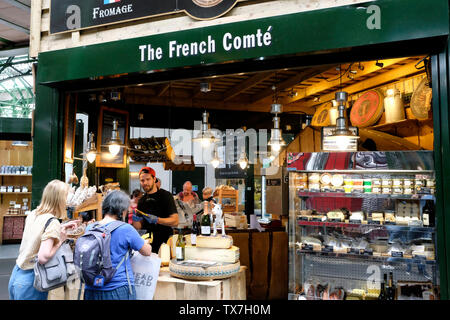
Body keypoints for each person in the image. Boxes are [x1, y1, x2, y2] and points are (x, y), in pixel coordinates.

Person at [8, 179, 78, 300]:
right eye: (66, 197)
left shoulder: (33, 213)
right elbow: (43, 257)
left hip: (17, 274)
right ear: (60, 199)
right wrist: (60, 240)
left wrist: (61, 227)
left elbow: (38, 233)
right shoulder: (52, 222)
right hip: (32, 279)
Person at [83, 190, 152, 300]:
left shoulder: (90, 227)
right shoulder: (125, 229)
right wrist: (145, 243)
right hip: (117, 289)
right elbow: (146, 252)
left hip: (91, 288)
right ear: (122, 211)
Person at [132, 167, 179, 253]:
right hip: (148, 243)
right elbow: (138, 226)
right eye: (142, 180)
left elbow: (175, 221)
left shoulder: (166, 196)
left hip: (165, 243)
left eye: (148, 179)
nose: (145, 183)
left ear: (154, 179)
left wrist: (157, 220)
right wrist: (134, 219)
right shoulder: (142, 200)